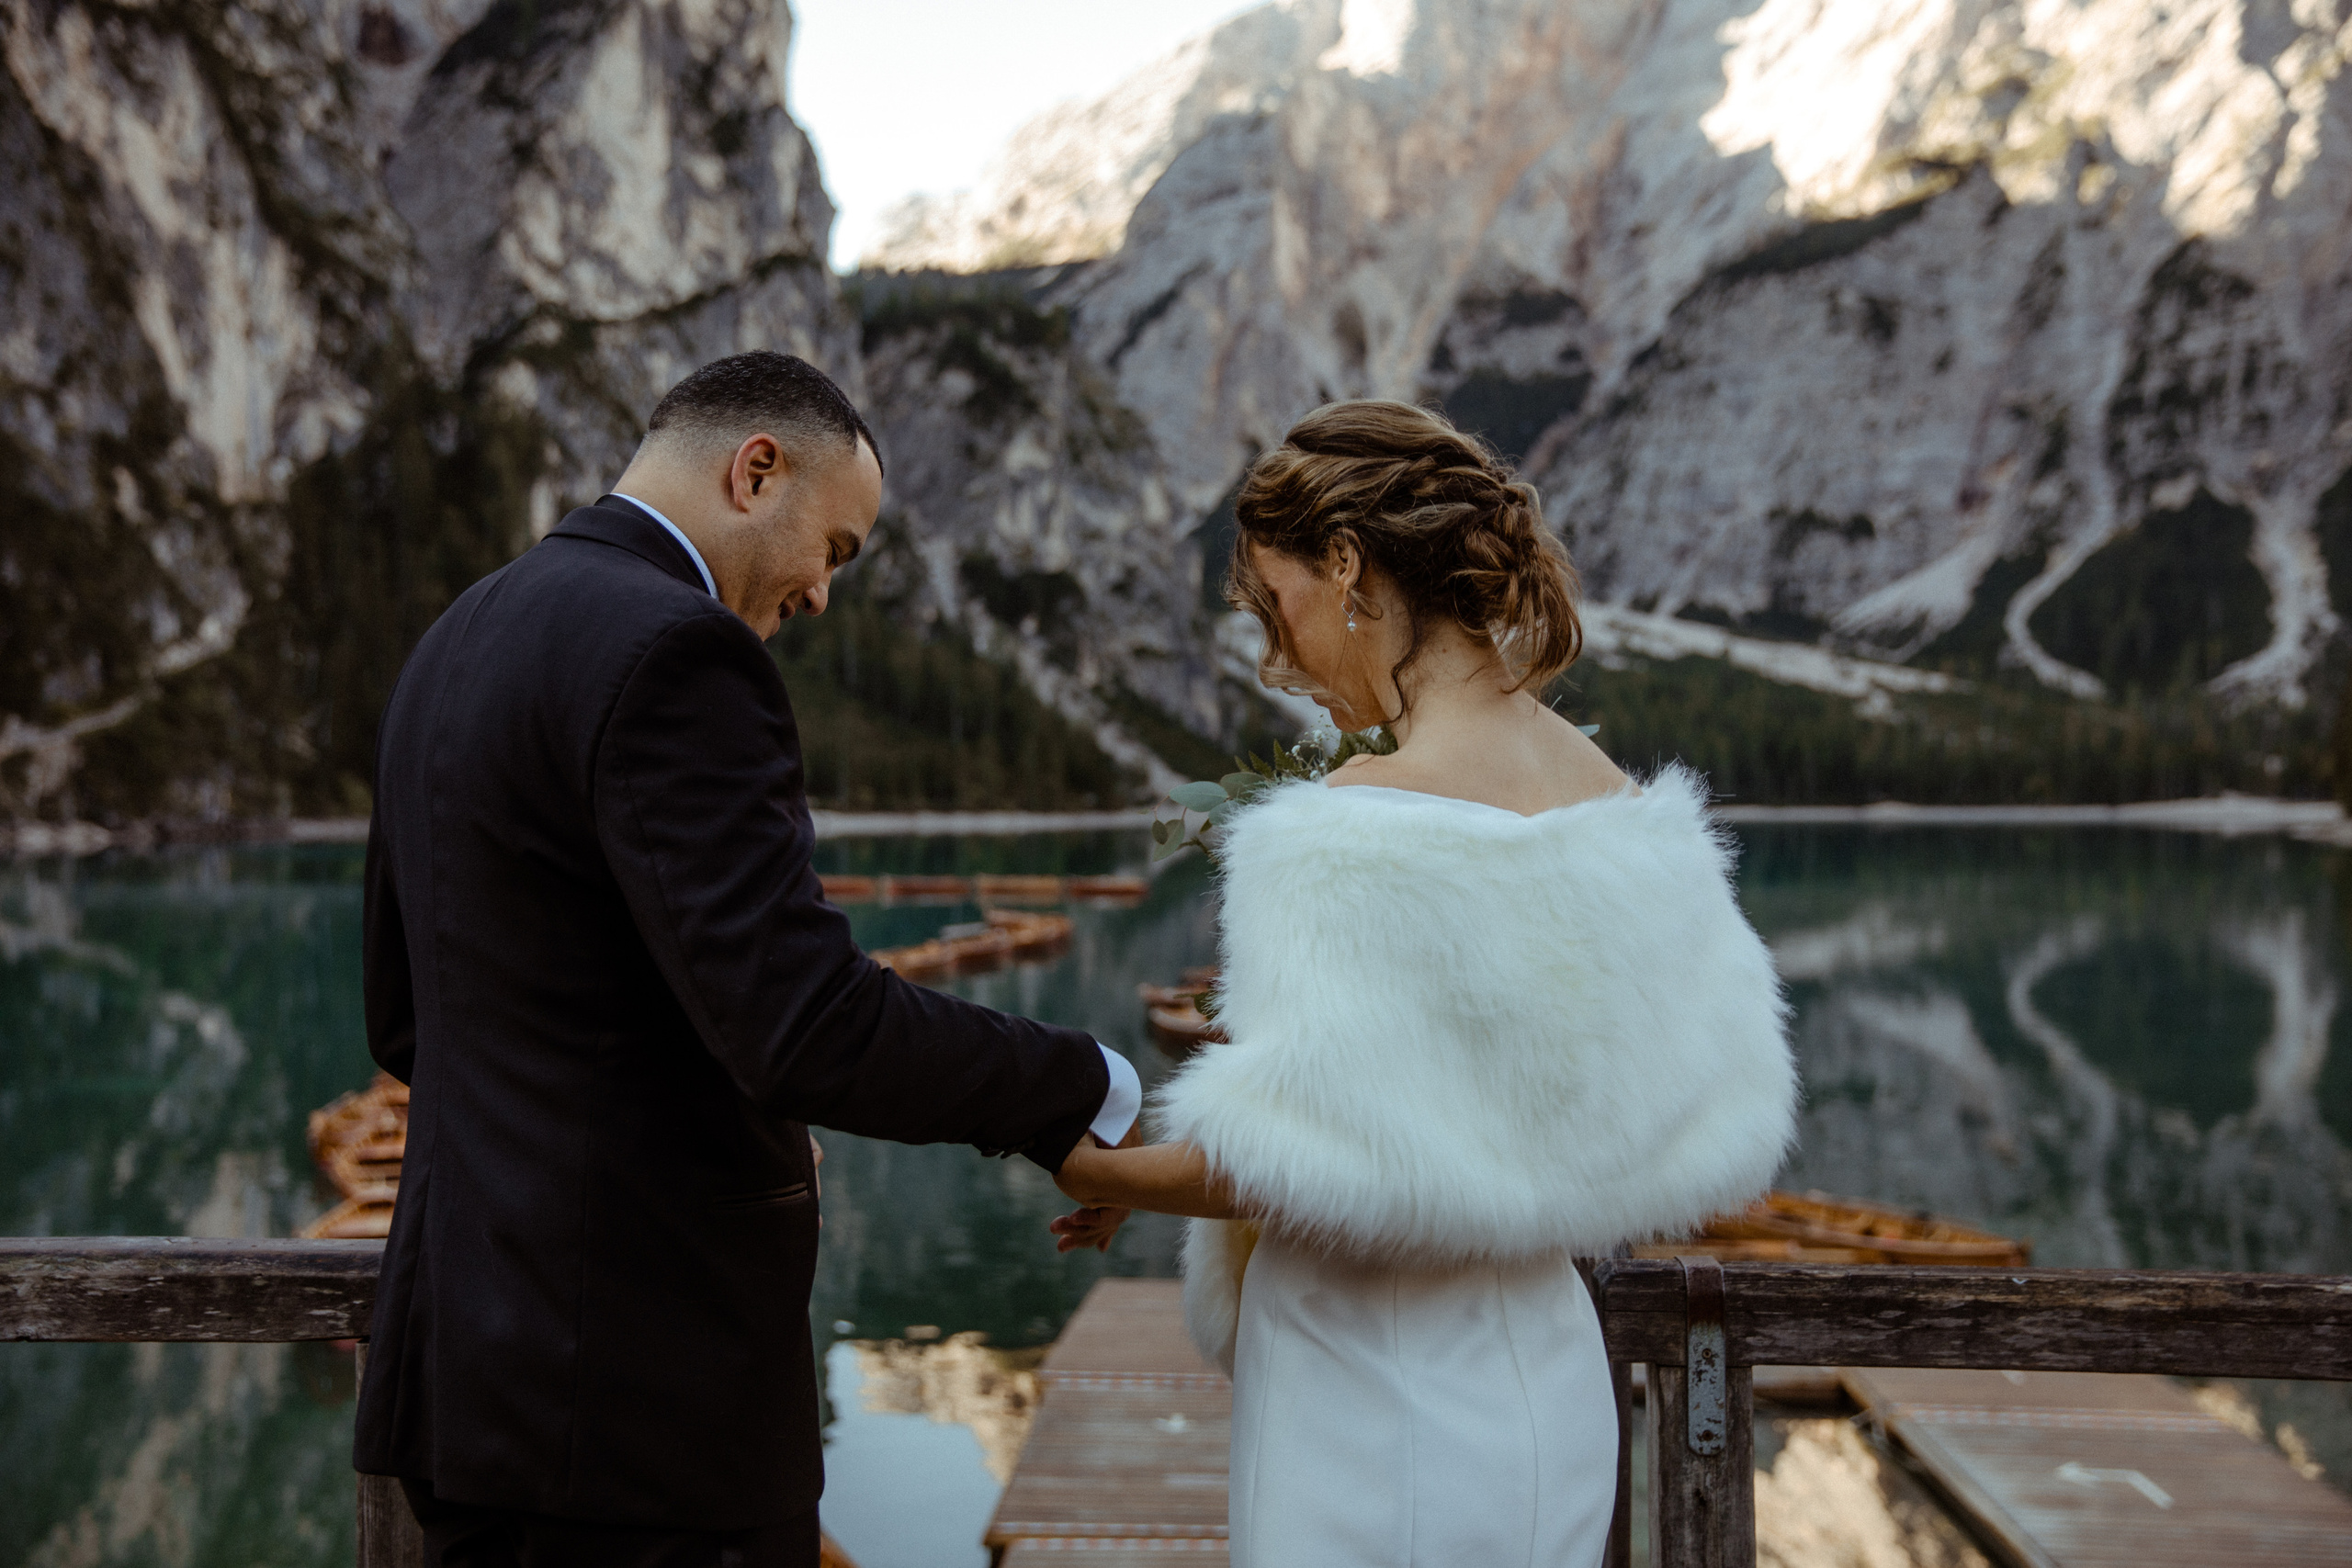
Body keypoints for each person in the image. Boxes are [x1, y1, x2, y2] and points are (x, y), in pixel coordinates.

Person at [356, 351, 1142, 1568]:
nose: (824, 595)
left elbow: (406, 1022)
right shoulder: (680, 651)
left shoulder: (456, 638)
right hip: (645, 1418)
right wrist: (1077, 1083)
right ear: (755, 468)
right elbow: (805, 1023)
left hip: (462, 1397)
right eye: (835, 546)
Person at [1048, 400, 1796, 1567]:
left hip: (1369, 1393)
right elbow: (1461, 1121)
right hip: (1548, 1384)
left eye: (1276, 605)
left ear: (1346, 564)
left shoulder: (1350, 831)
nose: (1276, 659)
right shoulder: (1624, 808)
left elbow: (1285, 1159)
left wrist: (1090, 1160)